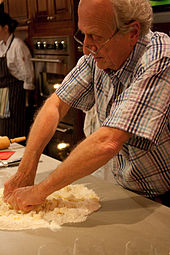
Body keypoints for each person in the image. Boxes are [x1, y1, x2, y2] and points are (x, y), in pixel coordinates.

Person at [3, 0, 170, 211]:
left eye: (96, 36)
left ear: (133, 32)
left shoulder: (160, 59)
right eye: (83, 34)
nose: (85, 48)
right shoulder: (97, 54)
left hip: (161, 201)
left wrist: (40, 191)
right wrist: (25, 173)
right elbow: (55, 105)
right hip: (126, 192)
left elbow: (108, 141)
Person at [0, 13, 35, 138]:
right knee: (4, 129)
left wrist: (27, 100)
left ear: (5, 28)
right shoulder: (1, 46)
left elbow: (28, 73)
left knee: (15, 129)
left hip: (16, 94)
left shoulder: (18, 45)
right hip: (3, 94)